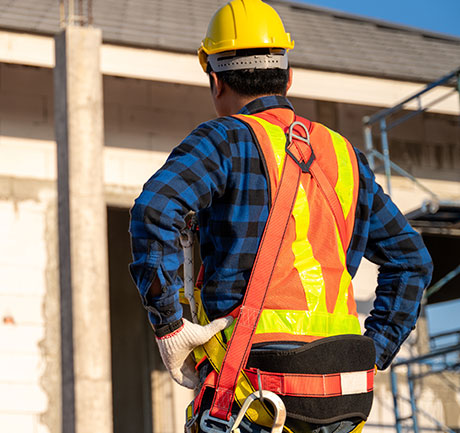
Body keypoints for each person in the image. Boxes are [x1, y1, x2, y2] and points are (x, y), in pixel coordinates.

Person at [128, 0, 433, 432]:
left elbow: (155, 211)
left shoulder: (225, 139)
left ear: (215, 81)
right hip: (342, 402)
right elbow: (412, 262)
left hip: (254, 395)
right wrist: (371, 353)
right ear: (288, 77)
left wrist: (170, 327)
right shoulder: (345, 157)